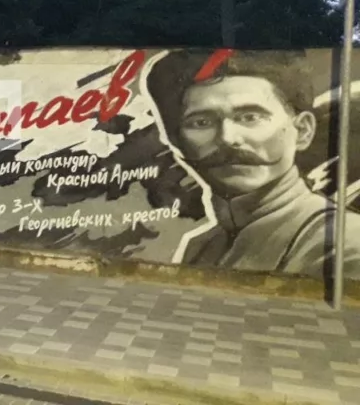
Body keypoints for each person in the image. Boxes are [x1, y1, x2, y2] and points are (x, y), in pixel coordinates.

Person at [146, 49, 360, 277]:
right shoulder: (201, 247)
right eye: (201, 122)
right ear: (177, 142)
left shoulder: (344, 245)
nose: (228, 138)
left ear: (302, 131)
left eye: (250, 117)